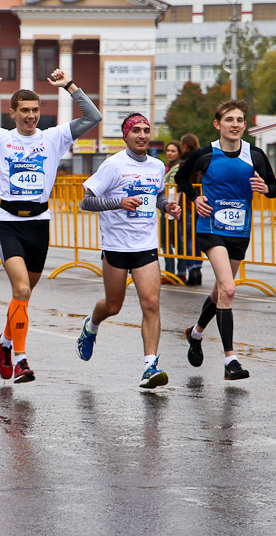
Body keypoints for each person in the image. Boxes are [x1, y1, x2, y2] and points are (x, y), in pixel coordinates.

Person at [0, 68, 102, 383]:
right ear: (12, 113)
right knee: (20, 289)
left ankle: (4, 342)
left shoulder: (53, 137)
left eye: (35, 110)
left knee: (23, 296)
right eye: (24, 110)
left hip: (39, 225)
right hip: (9, 225)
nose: (31, 116)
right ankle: (20, 359)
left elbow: (93, 116)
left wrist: (69, 85)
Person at [175, 99, 276, 380]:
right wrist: (195, 198)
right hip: (210, 227)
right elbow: (181, 178)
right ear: (217, 124)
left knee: (220, 292)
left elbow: (274, 188)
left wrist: (265, 187)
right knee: (229, 290)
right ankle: (230, 360)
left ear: (244, 126)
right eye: (229, 120)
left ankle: (195, 333)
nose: (235, 124)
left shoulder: (254, 155)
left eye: (239, 120)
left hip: (239, 232)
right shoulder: (205, 155)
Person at [76, 113, 181, 388]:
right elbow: (86, 202)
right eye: (136, 130)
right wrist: (118, 202)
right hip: (116, 245)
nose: (142, 135)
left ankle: (149, 367)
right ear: (126, 135)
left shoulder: (157, 165)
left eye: (146, 130)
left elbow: (158, 194)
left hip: (145, 245)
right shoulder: (113, 165)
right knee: (113, 306)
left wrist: (166, 206)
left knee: (151, 303)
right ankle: (91, 325)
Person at [178, 133, 204, 286]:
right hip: (202, 206)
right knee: (198, 238)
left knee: (188, 238)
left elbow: (181, 184)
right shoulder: (204, 161)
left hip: (188, 205)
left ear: (185, 146)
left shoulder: (185, 163)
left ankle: (192, 268)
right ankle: (198, 269)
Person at [160, 140, 183, 282]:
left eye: (173, 151)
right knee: (175, 240)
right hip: (170, 206)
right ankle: (179, 271)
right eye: (168, 150)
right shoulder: (169, 166)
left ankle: (171, 273)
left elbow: (170, 185)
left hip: (171, 207)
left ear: (179, 153)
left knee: (167, 241)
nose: (169, 153)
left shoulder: (176, 167)